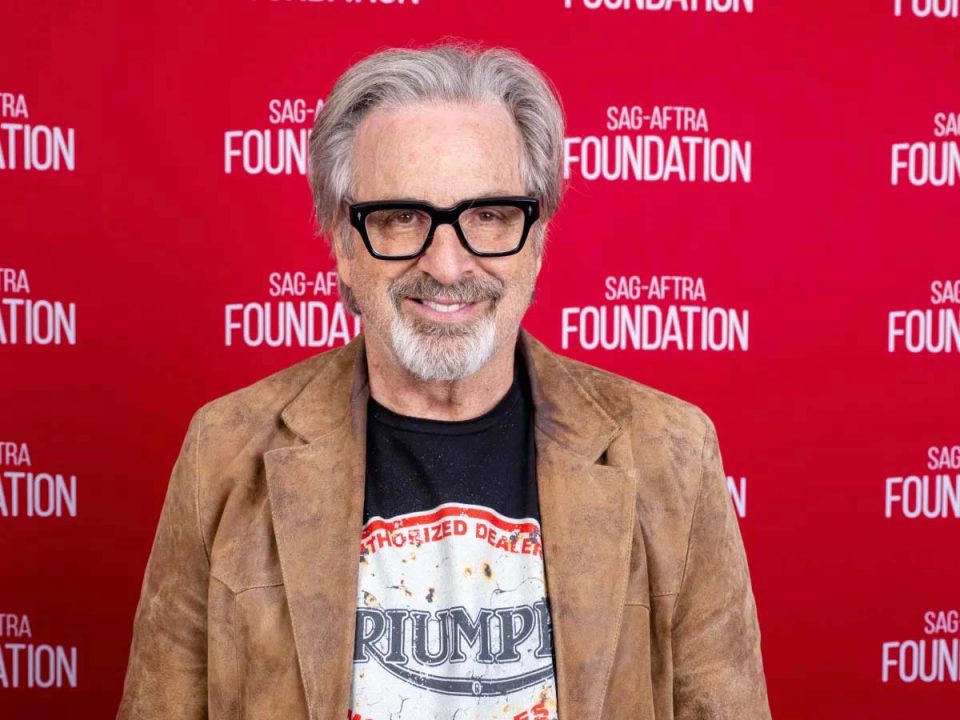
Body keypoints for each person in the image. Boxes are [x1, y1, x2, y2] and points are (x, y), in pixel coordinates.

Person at [117, 43, 772, 720]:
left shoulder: (672, 455)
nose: (448, 265)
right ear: (342, 243)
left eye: (488, 215)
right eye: (402, 217)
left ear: (538, 238)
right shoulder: (225, 452)